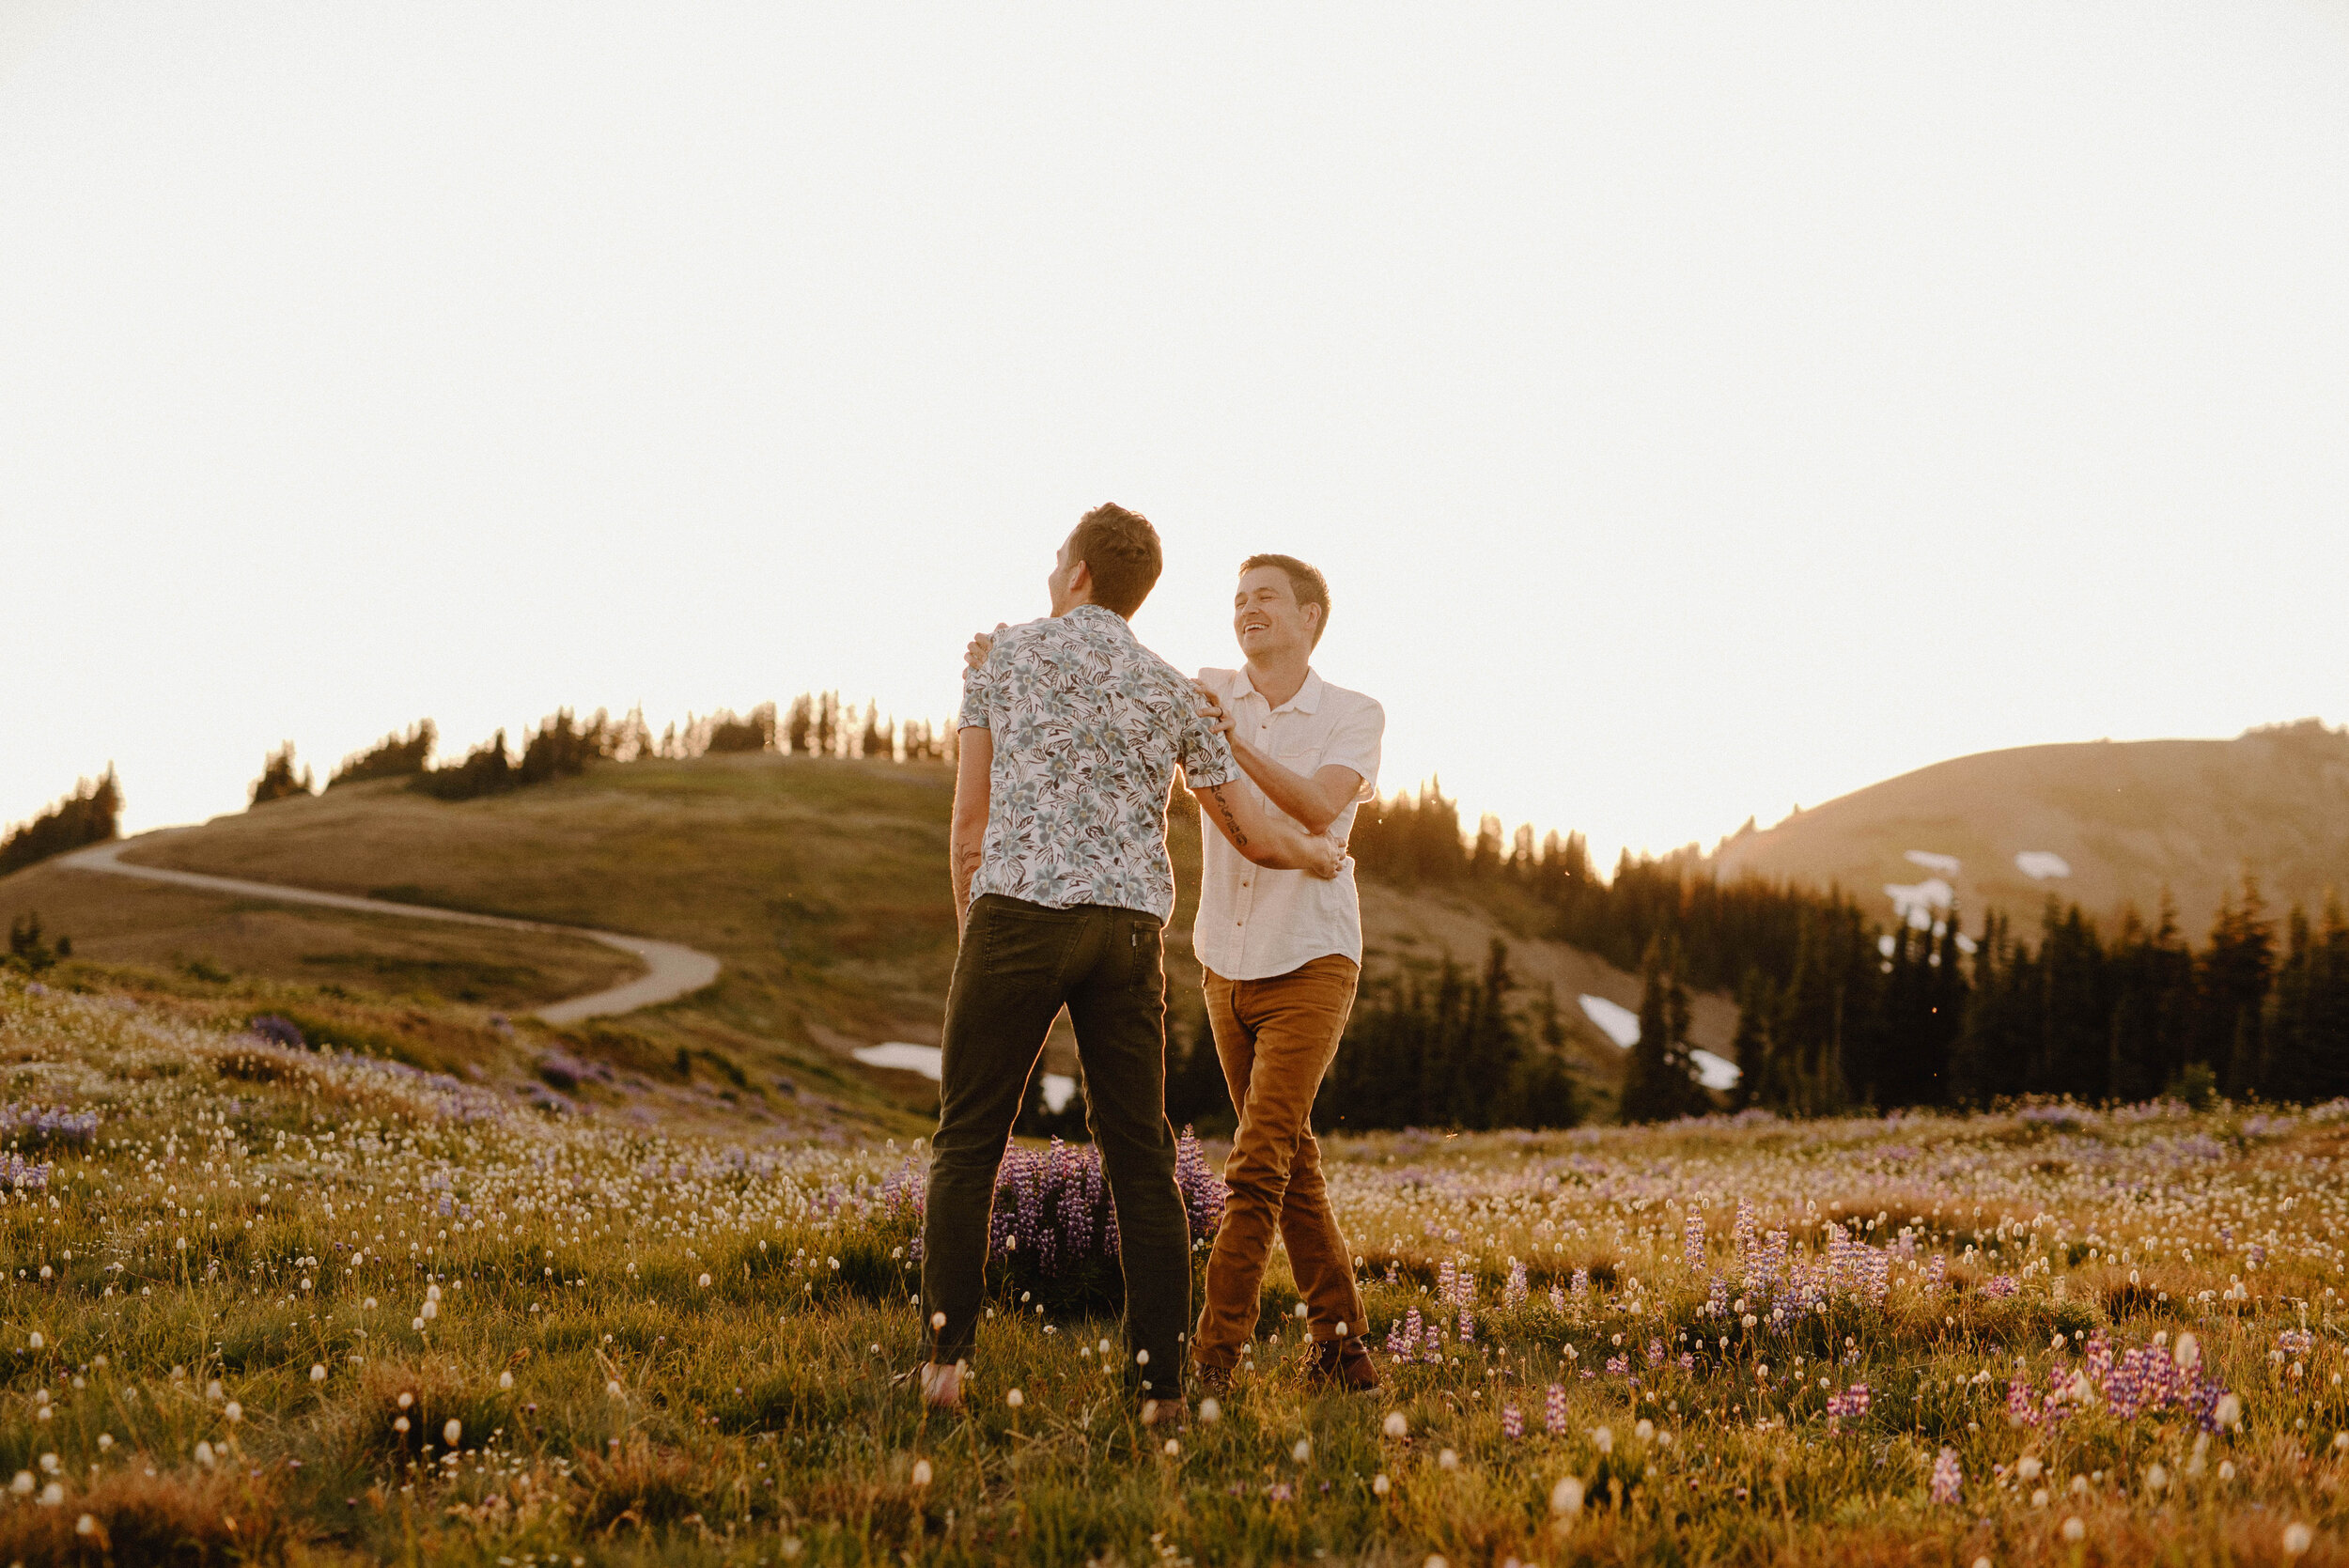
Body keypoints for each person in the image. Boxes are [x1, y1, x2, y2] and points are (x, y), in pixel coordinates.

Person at [919, 505, 1345, 1421]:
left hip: (1014, 917)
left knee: (967, 1142)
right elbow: (1250, 831)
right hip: (1123, 933)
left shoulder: (1002, 659)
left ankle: (946, 1369)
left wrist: (978, 940)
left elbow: (967, 827)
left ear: (1076, 574)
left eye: (1056, 559)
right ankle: (1159, 1388)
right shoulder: (1168, 691)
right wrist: (1312, 854)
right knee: (1141, 1155)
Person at [1185, 553, 1385, 1393]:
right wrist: (1001, 657)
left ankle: (1210, 1365)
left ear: (1310, 617)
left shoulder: (1354, 713)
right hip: (1222, 962)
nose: (1246, 609)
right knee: (1292, 1158)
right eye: (1238, 598)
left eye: (1265, 597)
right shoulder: (1205, 688)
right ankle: (1344, 1353)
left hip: (1310, 957)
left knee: (1257, 1161)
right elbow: (1113, 673)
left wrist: (1229, 746)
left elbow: (1316, 807)